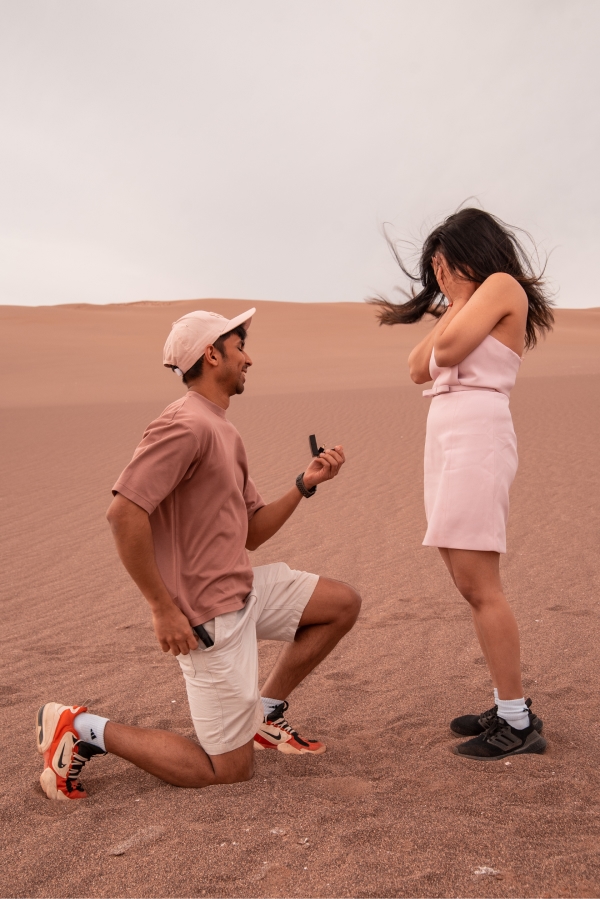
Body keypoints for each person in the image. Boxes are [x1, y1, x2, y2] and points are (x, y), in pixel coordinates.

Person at [36, 307, 361, 800]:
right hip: (209, 615)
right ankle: (80, 728)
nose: (248, 359)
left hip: (243, 589)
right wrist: (162, 608)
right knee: (226, 771)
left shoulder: (221, 427)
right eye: (240, 347)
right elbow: (123, 514)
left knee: (341, 605)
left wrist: (305, 484)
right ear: (212, 354)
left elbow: (252, 532)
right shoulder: (184, 424)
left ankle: (264, 713)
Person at [371, 208, 554, 760]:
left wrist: (458, 302)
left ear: (468, 254)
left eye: (443, 264)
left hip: (477, 436)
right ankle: (507, 703)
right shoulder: (466, 306)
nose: (439, 274)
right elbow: (414, 367)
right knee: (464, 579)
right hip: (450, 439)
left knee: (481, 584)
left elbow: (444, 354)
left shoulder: (500, 287)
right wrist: (454, 302)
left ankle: (518, 722)